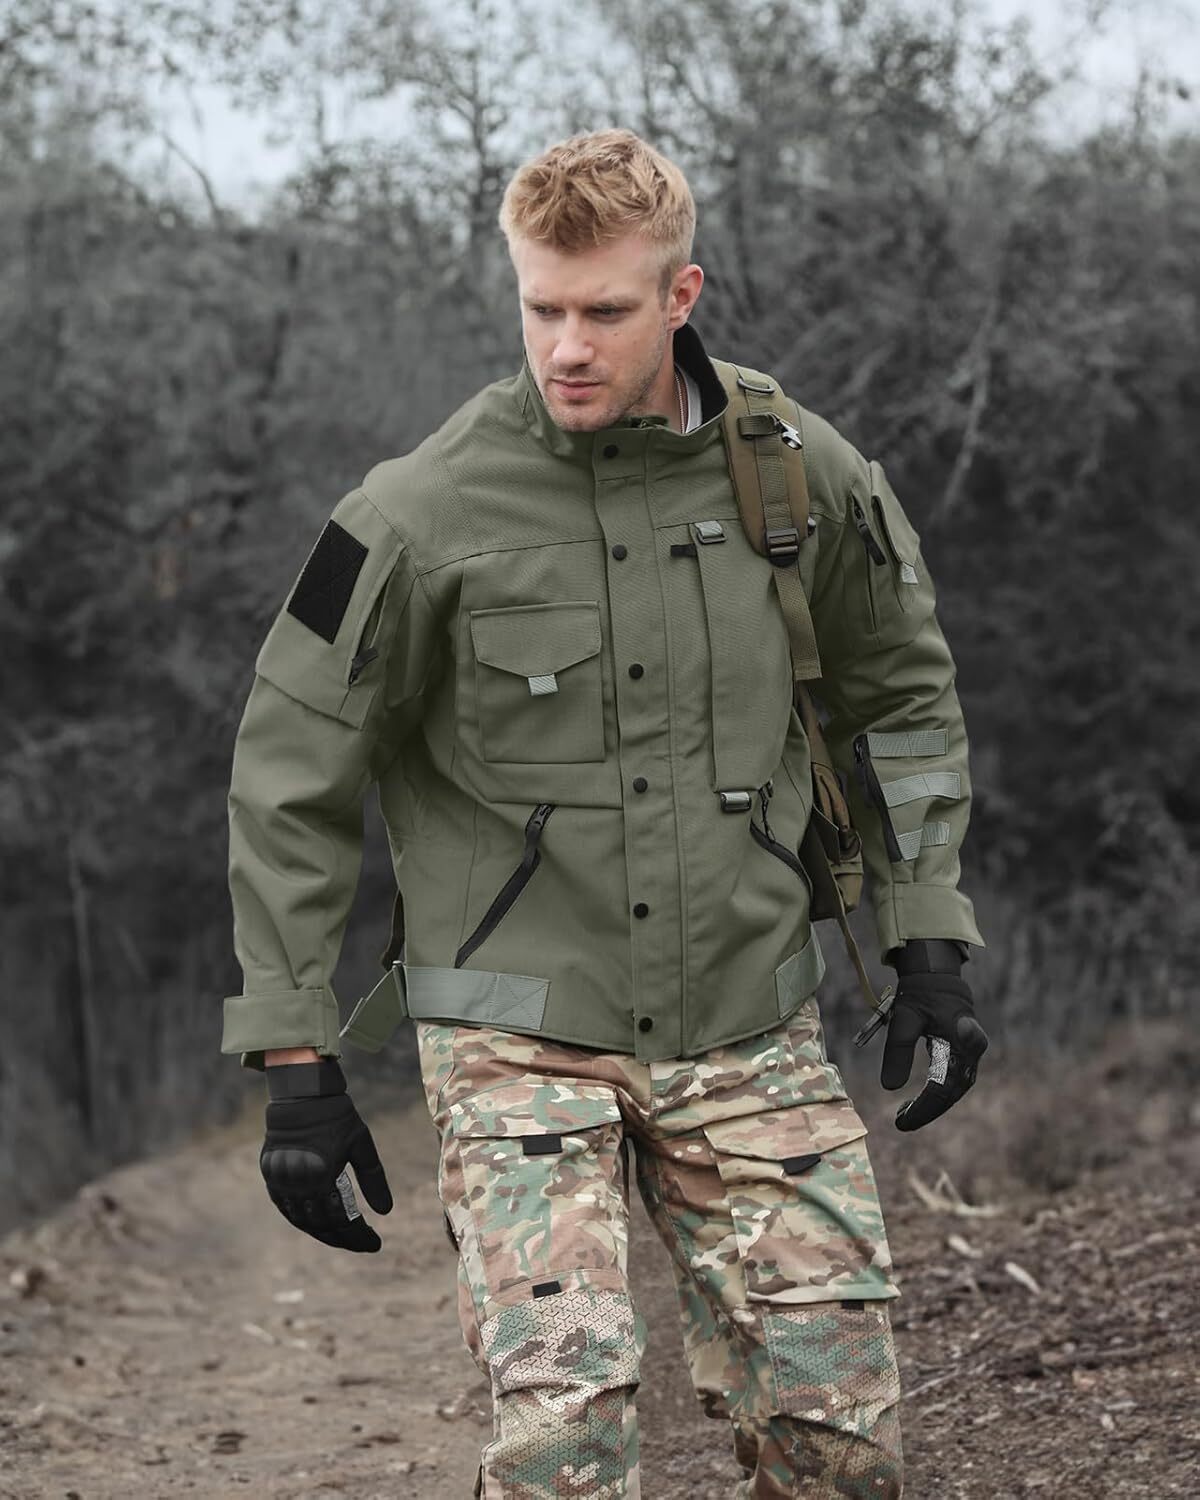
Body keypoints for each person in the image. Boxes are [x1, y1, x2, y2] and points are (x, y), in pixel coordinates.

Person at [221, 128, 987, 1498]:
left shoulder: (797, 475)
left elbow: (906, 697)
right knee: (564, 1436)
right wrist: (294, 1058)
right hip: (514, 1029)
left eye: (606, 312)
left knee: (838, 1442)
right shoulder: (417, 512)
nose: (566, 348)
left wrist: (927, 931)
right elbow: (291, 769)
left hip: (747, 1010)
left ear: (680, 297)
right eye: (542, 309)